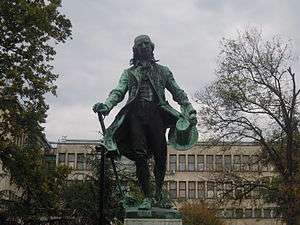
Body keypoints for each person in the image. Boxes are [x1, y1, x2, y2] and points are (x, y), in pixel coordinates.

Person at [93, 35, 197, 210]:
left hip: (157, 114)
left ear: (152, 47)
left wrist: (189, 108)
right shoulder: (128, 73)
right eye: (140, 45)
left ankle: (158, 193)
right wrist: (107, 106)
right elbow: (118, 92)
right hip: (135, 116)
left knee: (160, 155)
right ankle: (147, 197)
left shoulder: (164, 71)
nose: (144, 47)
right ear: (135, 50)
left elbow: (178, 92)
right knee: (140, 156)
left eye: (146, 44)